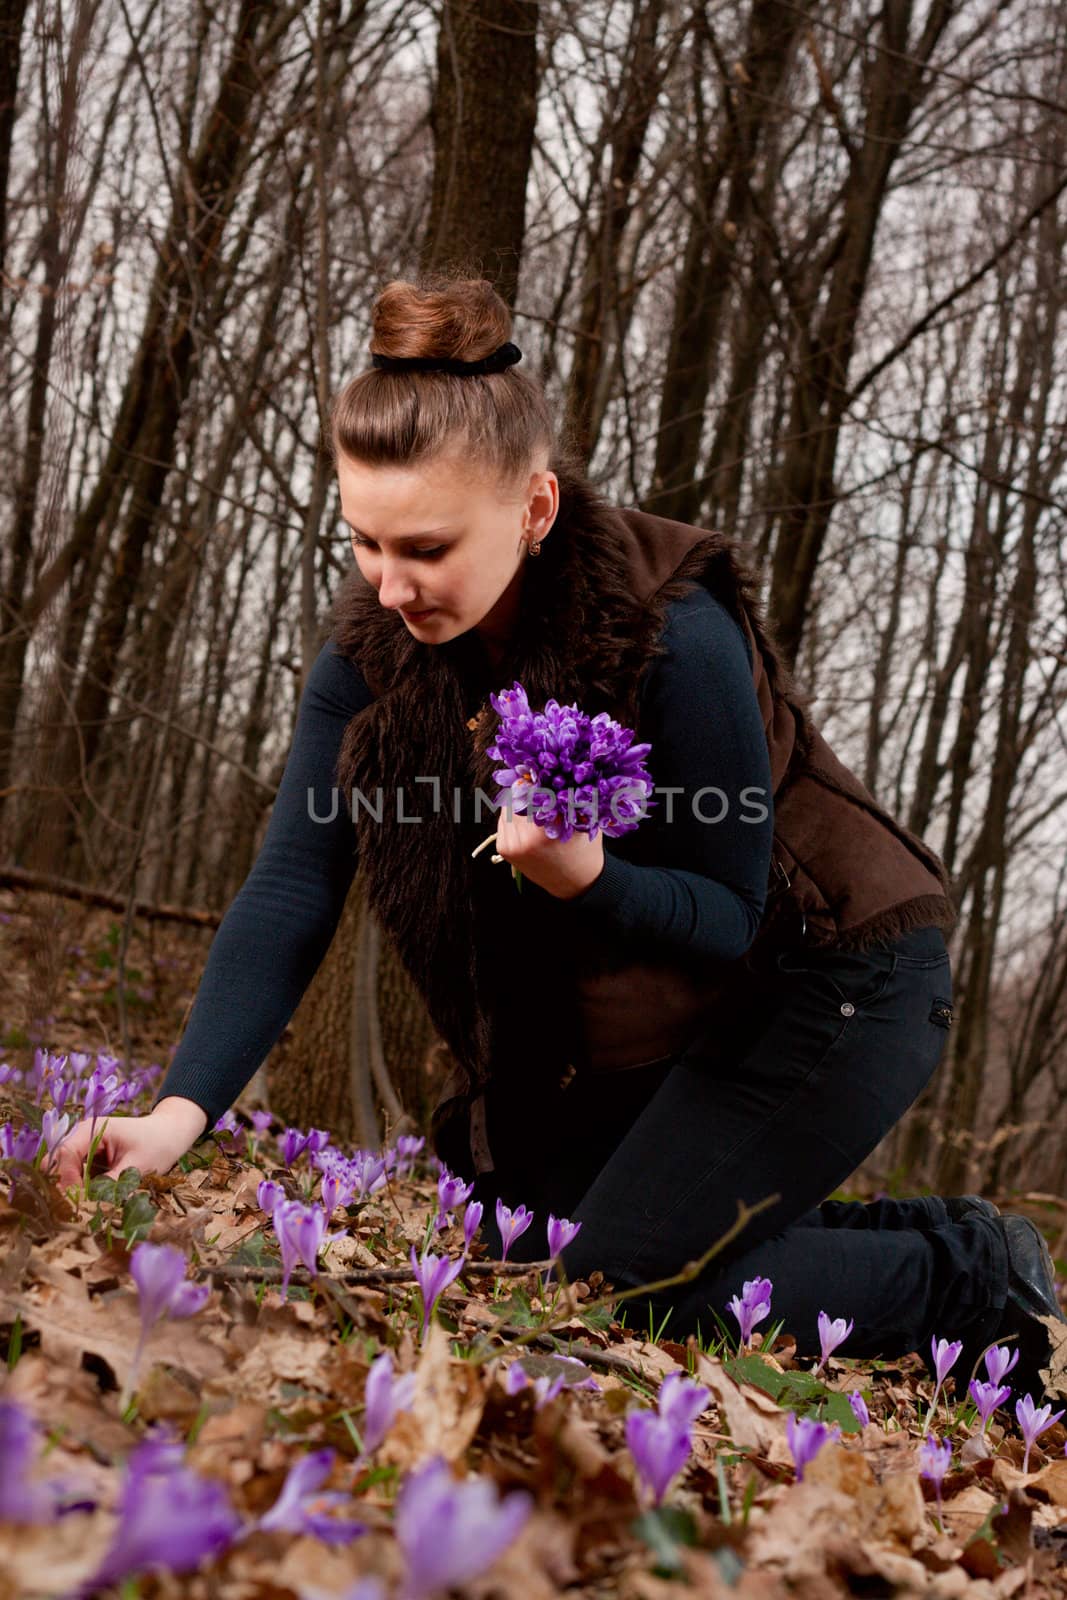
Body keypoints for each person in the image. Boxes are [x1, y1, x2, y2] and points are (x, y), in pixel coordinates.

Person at [54, 274, 1064, 1402]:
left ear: (533, 510)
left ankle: (966, 1281)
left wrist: (583, 877)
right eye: (363, 543)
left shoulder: (668, 629)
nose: (389, 587)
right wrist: (178, 1112)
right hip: (674, 1001)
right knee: (535, 1235)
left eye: (426, 548)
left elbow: (726, 917)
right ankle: (924, 1240)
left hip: (836, 972)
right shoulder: (368, 660)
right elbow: (294, 882)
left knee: (625, 1291)